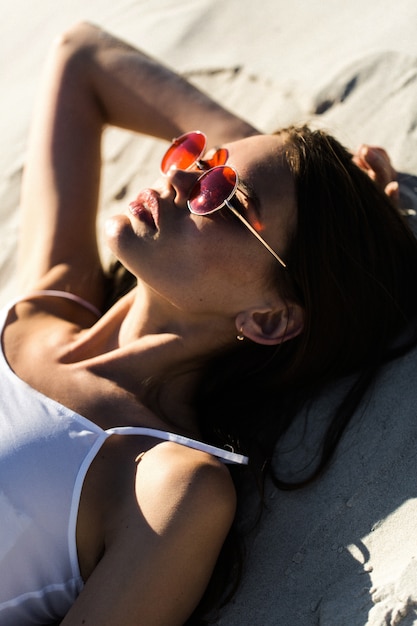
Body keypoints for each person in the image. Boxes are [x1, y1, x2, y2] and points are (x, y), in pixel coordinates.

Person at [1, 20, 417, 626]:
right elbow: (81, 56)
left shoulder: (165, 484)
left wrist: (314, 213)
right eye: (203, 159)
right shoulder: (52, 301)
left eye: (226, 196)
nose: (175, 176)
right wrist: (315, 180)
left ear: (270, 319)